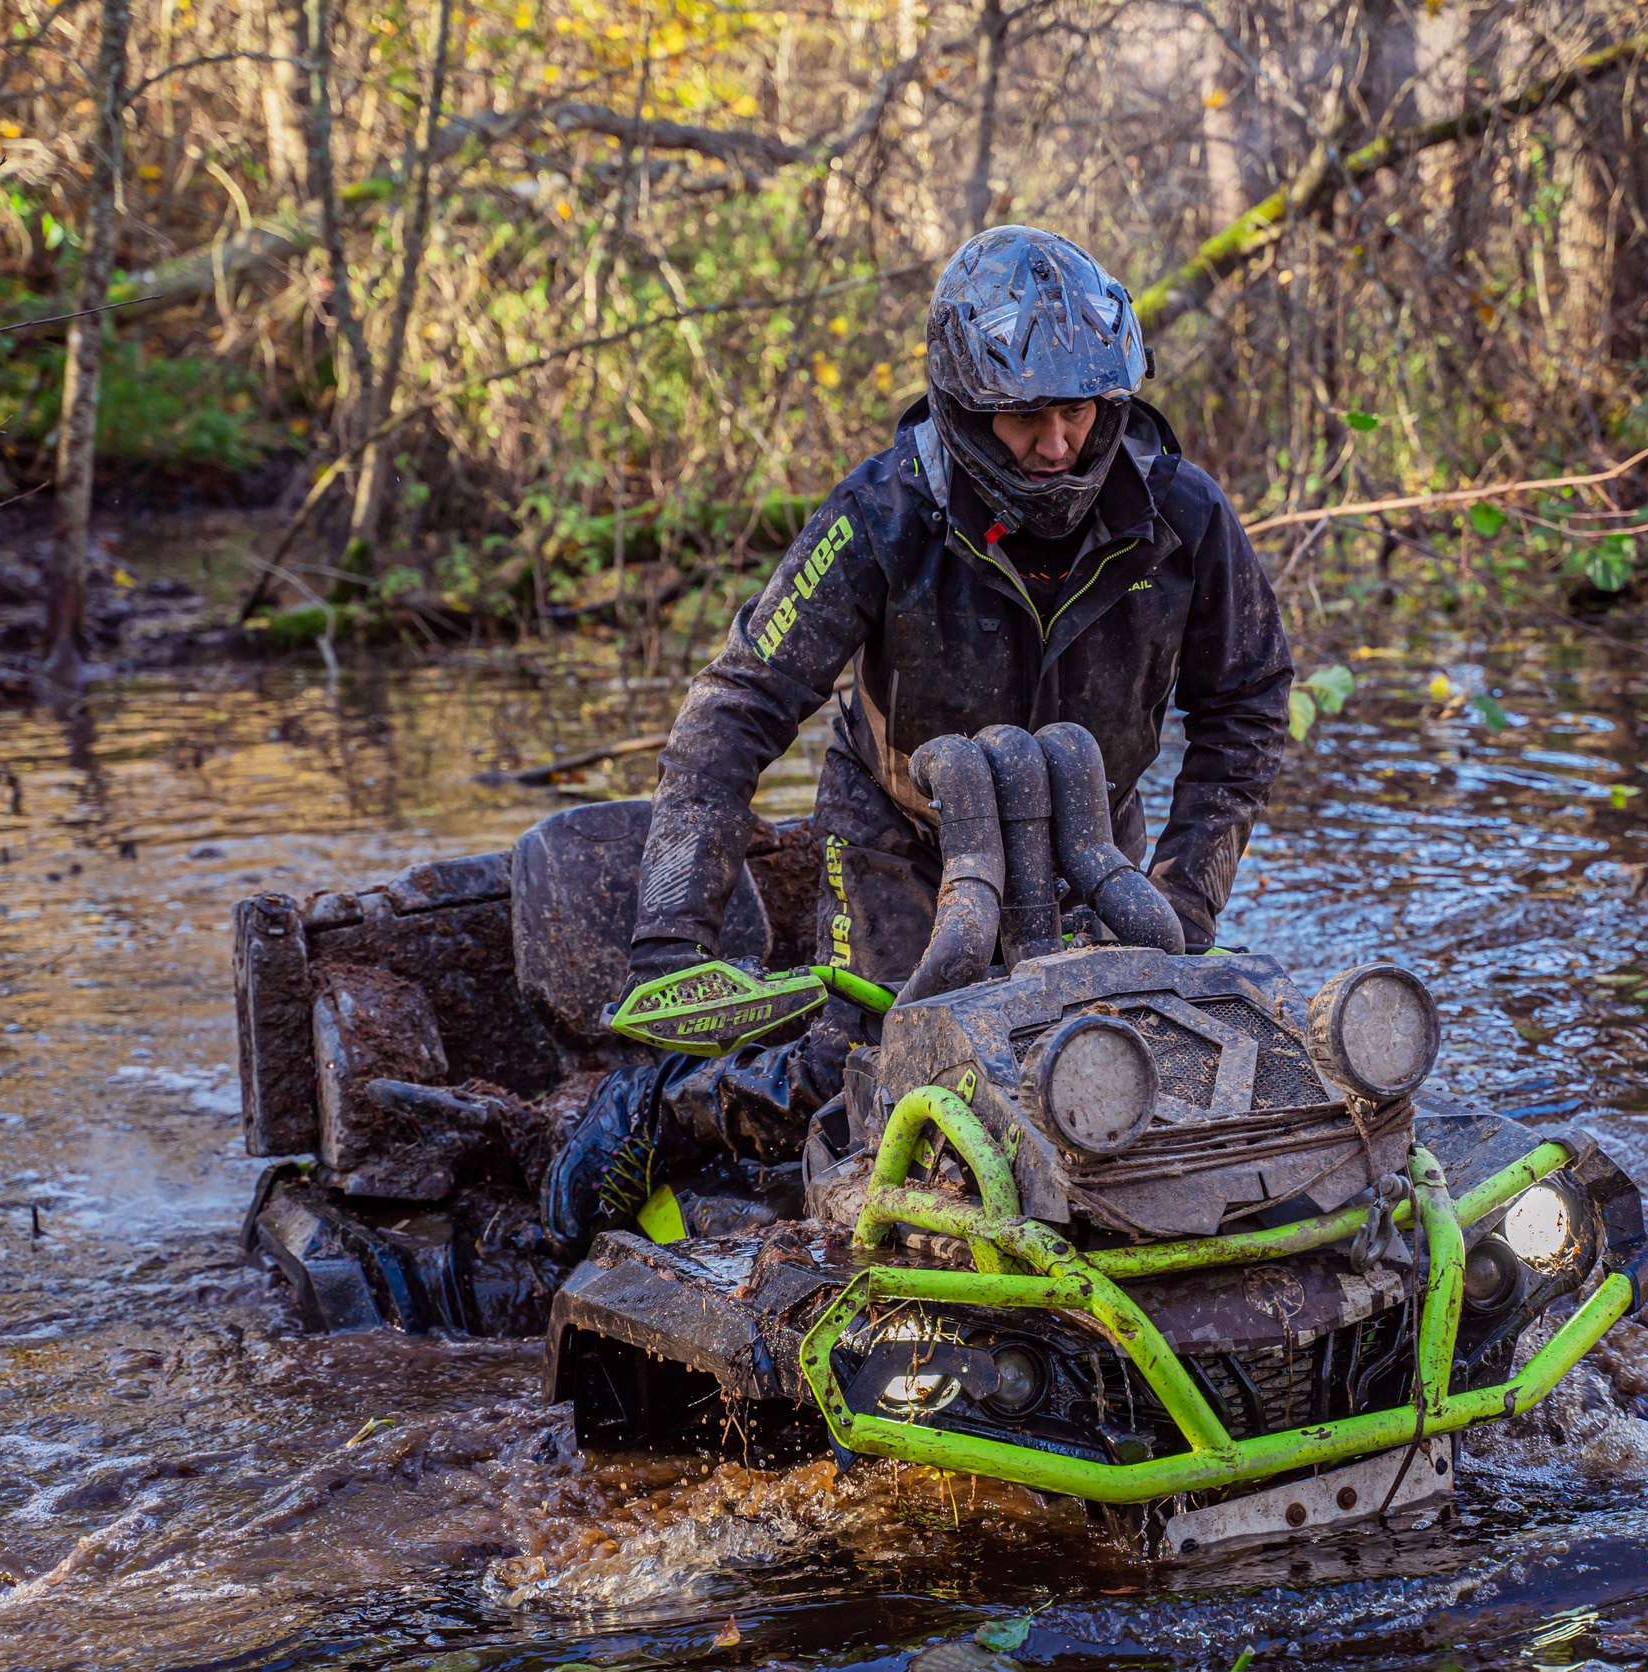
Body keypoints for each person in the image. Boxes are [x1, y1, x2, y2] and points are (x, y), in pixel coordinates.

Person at [542, 226, 1292, 1242]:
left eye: (1078, 408)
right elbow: (737, 706)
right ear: (970, 409)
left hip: (1087, 829)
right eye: (1027, 415)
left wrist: (1181, 901)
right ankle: (658, 1116)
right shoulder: (881, 510)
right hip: (896, 831)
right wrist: (672, 935)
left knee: (1109, 1075)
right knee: (867, 1086)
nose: (1059, 442)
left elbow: (1247, 706)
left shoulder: (1184, 517)